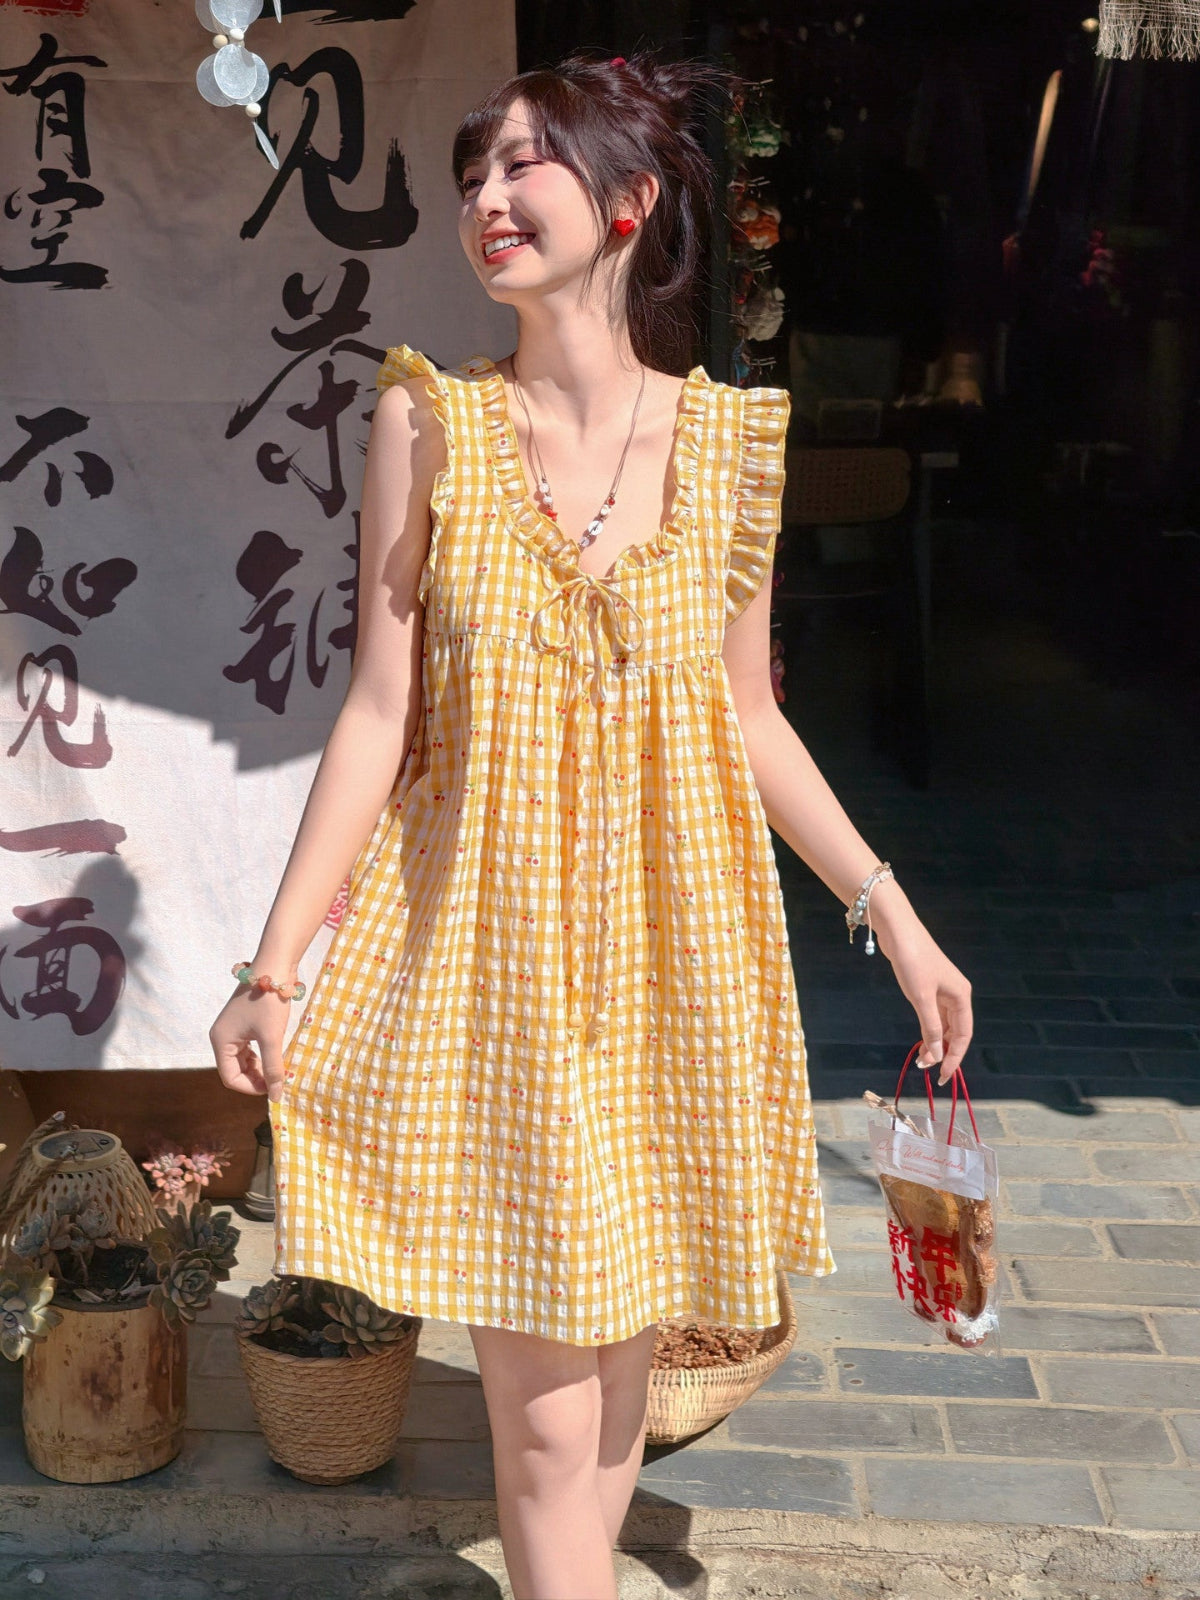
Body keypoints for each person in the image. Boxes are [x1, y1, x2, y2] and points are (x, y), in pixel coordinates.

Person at [209, 48, 973, 1600]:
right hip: (495, 969)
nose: (486, 199)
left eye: (523, 164)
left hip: (676, 970)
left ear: (628, 201)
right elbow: (377, 712)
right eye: (472, 174)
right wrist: (273, 966)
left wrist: (891, 912)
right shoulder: (431, 423)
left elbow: (749, 719)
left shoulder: (732, 447)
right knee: (554, 1414)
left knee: (615, 1380)